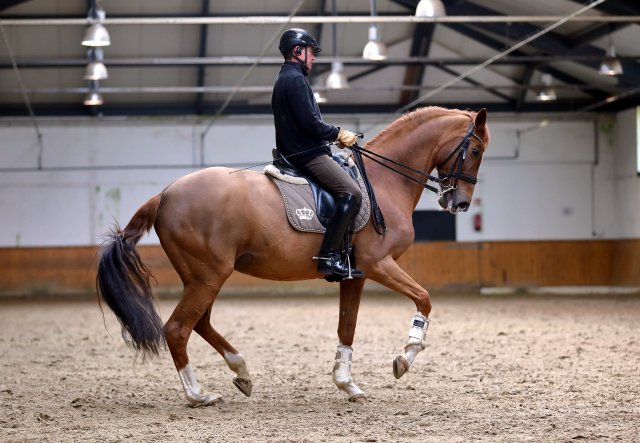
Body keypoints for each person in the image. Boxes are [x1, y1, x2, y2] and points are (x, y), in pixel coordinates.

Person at [272, 28, 364, 279]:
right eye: (310, 53)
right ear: (297, 51)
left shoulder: (285, 78)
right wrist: (339, 134)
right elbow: (310, 124)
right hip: (307, 155)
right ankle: (329, 256)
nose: (313, 58)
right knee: (352, 192)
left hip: (299, 150)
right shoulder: (296, 80)